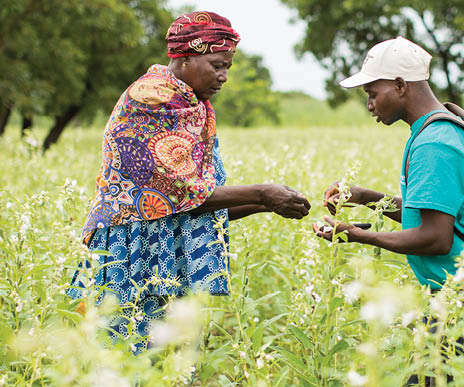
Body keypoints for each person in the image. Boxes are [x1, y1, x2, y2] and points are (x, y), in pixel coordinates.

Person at [68, 11, 310, 350]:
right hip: (132, 255)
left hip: (166, 253)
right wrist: (263, 193)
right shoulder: (150, 100)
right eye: (216, 65)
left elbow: (195, 205)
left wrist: (263, 204)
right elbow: (178, 194)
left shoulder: (192, 105)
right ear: (184, 57)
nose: (224, 76)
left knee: (173, 376)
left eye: (228, 66)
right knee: (126, 368)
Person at [314, 36, 464, 290]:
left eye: (372, 94)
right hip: (461, 293)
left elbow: (436, 238)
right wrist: (365, 197)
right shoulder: (439, 128)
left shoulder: (435, 143)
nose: (369, 105)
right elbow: (428, 214)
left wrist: (359, 236)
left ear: (399, 85)